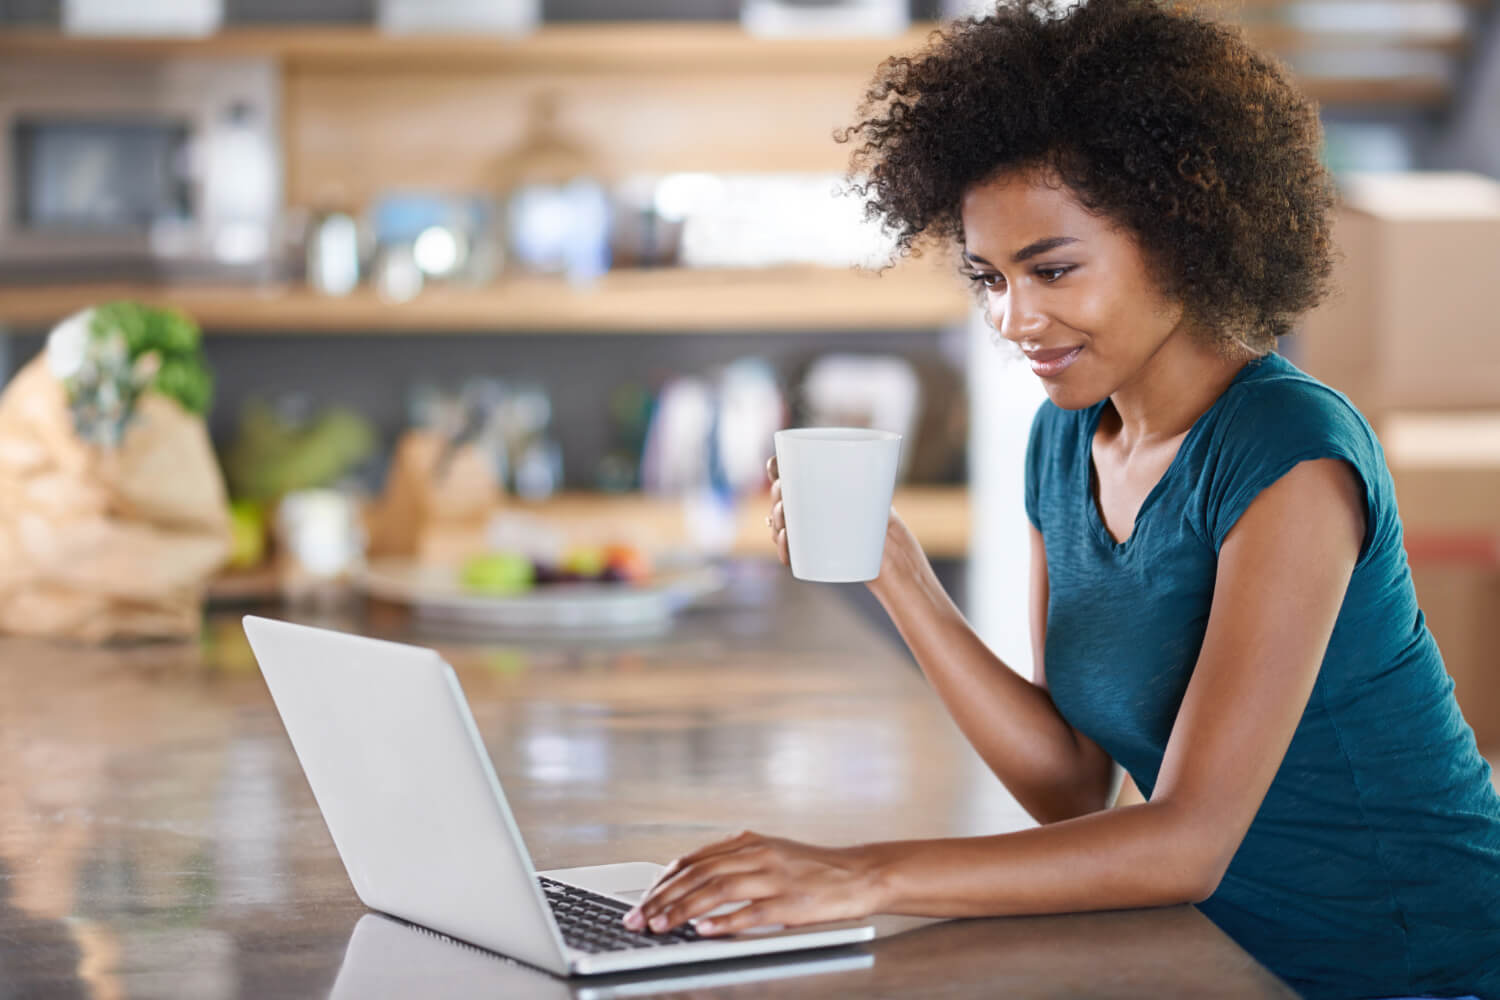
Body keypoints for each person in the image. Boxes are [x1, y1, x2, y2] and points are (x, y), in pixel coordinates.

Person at [621, 1, 1500, 996]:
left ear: (1182, 232)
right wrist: (898, 579)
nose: (1014, 319)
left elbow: (1186, 843)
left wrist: (861, 872)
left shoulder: (1289, 452)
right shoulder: (1065, 436)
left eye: (1053, 270)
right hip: (1214, 956)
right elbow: (1075, 786)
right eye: (989, 276)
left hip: (1412, 962)